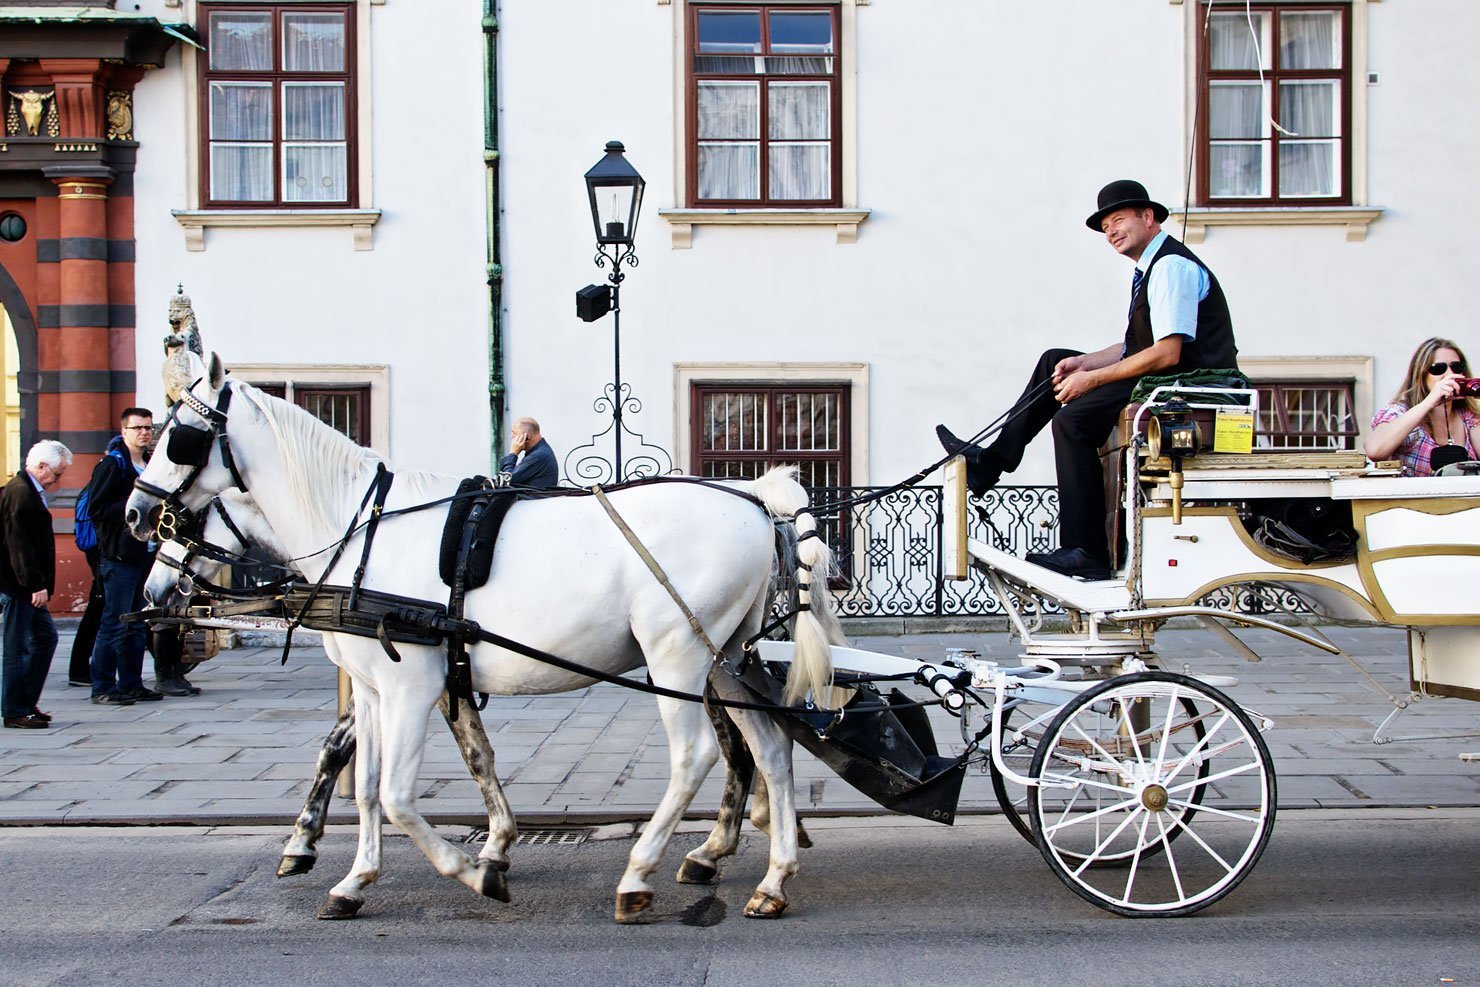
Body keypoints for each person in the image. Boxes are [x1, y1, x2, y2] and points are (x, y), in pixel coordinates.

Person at [937, 179, 1239, 580]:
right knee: (1055, 362)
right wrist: (1084, 363)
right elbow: (1135, 346)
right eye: (1106, 226)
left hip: (1184, 384)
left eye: (1118, 220)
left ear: (1148, 217)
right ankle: (989, 465)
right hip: (1164, 376)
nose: (1111, 231)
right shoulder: (1151, 268)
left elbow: (1167, 353)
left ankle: (1086, 550)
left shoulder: (1170, 267)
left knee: (1072, 422)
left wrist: (1092, 381)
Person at [88, 408, 189, 705]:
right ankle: (103, 686)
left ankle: (132, 682)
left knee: (136, 624)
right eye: (137, 428)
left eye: (147, 427)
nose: (144, 433)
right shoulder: (113, 465)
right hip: (119, 556)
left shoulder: (148, 463)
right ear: (124, 432)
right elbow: (97, 508)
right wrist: (136, 509)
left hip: (145, 555)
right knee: (114, 623)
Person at [1, 440, 71, 729]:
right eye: (56, 474)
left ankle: (26, 702)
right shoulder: (21, 493)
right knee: (18, 647)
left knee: (45, 639)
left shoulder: (28, 490)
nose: (58, 481)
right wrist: (33, 584)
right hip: (19, 586)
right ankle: (16, 709)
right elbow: (19, 545)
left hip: (25, 584)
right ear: (41, 466)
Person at [1364, 338, 1480, 476]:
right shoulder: (1399, 411)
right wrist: (1430, 401)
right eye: (1438, 368)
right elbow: (1374, 450)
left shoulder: (1468, 417)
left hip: (1461, 497)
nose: (1450, 374)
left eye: (1457, 367)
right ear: (1421, 375)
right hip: (1414, 496)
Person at [67, 433, 127, 687]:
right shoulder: (111, 471)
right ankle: (81, 670)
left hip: (98, 550)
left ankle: (80, 669)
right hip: (103, 551)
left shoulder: (99, 476)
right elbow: (99, 513)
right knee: (99, 609)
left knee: (98, 608)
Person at [498, 417, 558, 489]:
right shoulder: (538, 450)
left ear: (527, 436)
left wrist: (513, 453)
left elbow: (506, 481)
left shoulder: (538, 455)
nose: (511, 437)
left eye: (514, 433)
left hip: (533, 499)